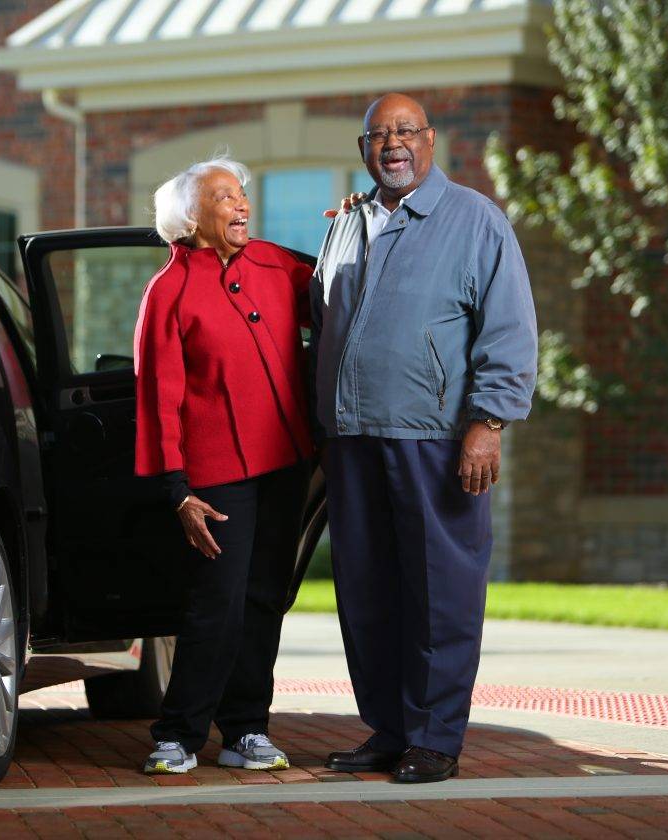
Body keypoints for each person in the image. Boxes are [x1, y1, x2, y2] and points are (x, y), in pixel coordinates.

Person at [310, 94, 538, 783]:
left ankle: (436, 738)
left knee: (441, 591)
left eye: (405, 131)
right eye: (379, 135)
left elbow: (510, 328)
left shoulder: (475, 220)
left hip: (437, 439)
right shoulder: (347, 224)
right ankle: (391, 728)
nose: (392, 145)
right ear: (362, 149)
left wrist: (488, 422)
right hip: (353, 439)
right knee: (367, 589)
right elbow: (321, 319)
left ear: (430, 140)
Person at [134, 156, 314, 775]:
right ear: (191, 218)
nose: (241, 206)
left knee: (266, 598)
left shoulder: (279, 264)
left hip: (284, 462)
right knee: (218, 602)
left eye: (241, 195)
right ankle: (178, 734)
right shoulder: (169, 290)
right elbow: (158, 396)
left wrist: (353, 225)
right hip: (215, 477)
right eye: (224, 198)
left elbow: (346, 290)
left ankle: (246, 731)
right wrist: (176, 490)